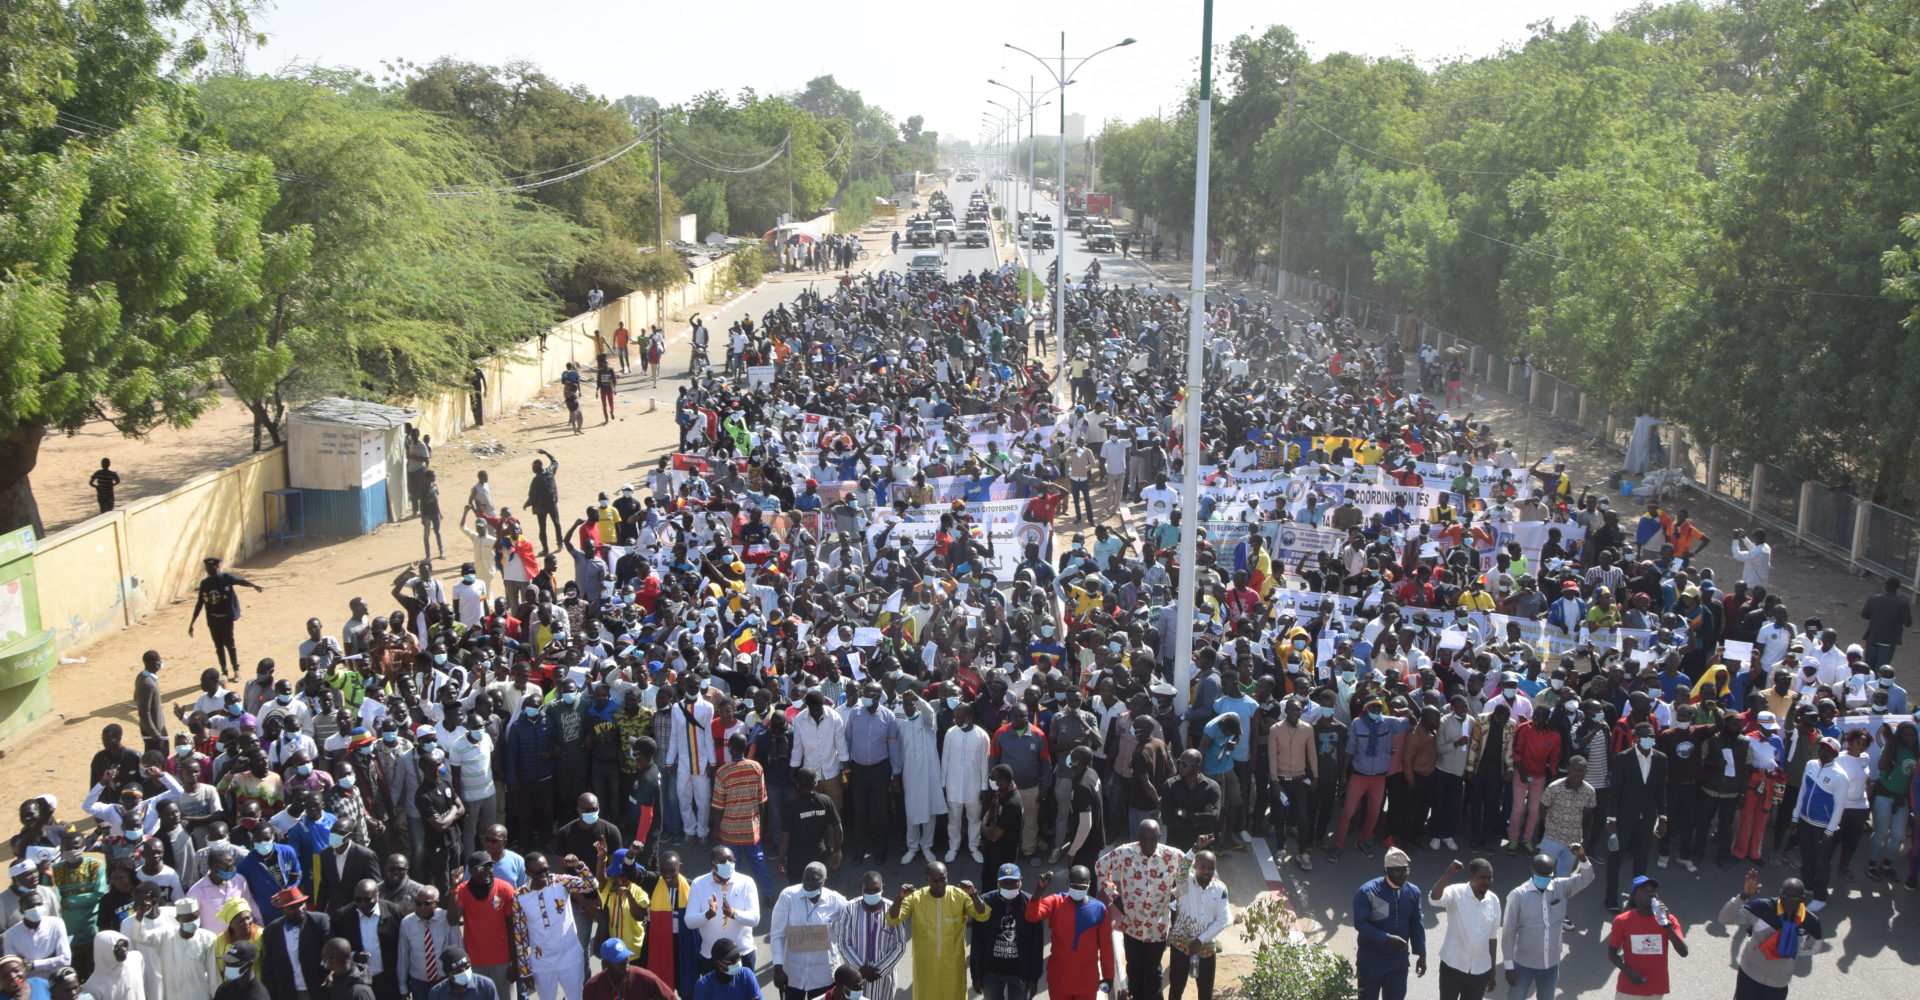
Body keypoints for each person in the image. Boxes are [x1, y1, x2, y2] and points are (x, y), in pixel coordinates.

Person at [1094, 819, 1183, 1000]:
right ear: (1138, 837)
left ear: (1159, 837)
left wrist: (1174, 895)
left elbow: (1191, 875)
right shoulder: (1125, 853)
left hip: (1157, 929)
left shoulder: (1173, 856)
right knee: (1133, 970)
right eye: (1144, 838)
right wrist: (1115, 897)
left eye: (1152, 839)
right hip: (1132, 927)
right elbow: (1100, 868)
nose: (1148, 843)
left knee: (1152, 972)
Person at [1498, 845, 1594, 1000]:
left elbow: (1586, 878)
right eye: (1540, 874)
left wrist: (1582, 857)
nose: (1544, 878)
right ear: (1532, 871)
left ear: (1553, 873)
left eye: (1548, 875)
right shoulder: (1517, 896)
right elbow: (1508, 932)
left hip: (1551, 963)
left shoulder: (1561, 887)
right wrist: (1508, 966)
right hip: (1523, 964)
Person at [1717, 868, 1823, 1000]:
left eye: (1793, 897)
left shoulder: (1810, 921)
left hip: (1778, 983)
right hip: (1749, 974)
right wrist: (1743, 896)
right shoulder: (1763, 907)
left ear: (1802, 899)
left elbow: (1814, 947)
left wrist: (1790, 950)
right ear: (1780, 894)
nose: (1788, 900)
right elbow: (1725, 919)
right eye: (1785, 895)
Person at [887, 861, 986, 999]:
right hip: (926, 966)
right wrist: (900, 898)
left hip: (953, 966)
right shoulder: (915, 898)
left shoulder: (959, 895)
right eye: (934, 881)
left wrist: (973, 894)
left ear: (947, 876)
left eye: (942, 879)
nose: (939, 884)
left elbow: (982, 915)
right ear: (926, 880)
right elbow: (893, 919)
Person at [510, 852, 596, 1000]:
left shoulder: (561, 881)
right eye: (539, 872)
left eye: (546, 869)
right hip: (542, 963)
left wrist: (579, 866)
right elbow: (520, 935)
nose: (545, 874)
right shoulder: (520, 896)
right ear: (528, 873)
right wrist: (525, 971)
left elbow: (591, 885)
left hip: (570, 958)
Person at [1024, 867, 1114, 1000]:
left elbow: (1106, 947)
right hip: (1059, 980)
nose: (1078, 889)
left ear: (1089, 884)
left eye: (1082, 886)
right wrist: (1040, 890)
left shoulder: (1100, 909)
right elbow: (1031, 916)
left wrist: (1109, 975)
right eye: (1074, 886)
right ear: (1067, 883)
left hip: (1087, 983)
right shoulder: (1055, 902)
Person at [1354, 847, 1426, 1000]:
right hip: (1371, 961)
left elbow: (1416, 923)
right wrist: (1386, 938)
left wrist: (1421, 953)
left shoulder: (1413, 892)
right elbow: (1360, 923)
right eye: (1397, 871)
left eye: (1405, 870)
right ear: (1386, 870)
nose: (1403, 875)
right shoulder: (1368, 892)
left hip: (1398, 962)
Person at [768, 862, 846, 1000]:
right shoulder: (788, 896)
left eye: (815, 879)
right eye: (806, 878)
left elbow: (851, 924)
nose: (809, 883)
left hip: (824, 975)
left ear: (825, 881)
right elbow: (777, 934)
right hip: (793, 974)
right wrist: (778, 968)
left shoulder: (836, 901)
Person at [1429, 859, 1501, 1000]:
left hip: (1480, 970)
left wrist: (1492, 973)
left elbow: (1492, 938)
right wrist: (1448, 874)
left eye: (1490, 877)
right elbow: (1434, 899)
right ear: (1471, 876)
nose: (1487, 881)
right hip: (1453, 966)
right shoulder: (1456, 892)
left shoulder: (1494, 901)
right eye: (1482, 877)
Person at [1166, 844, 1231, 1000]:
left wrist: (1200, 940)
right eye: (1202, 867)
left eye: (1210, 868)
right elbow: (1180, 870)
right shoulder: (1184, 884)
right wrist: (1194, 849)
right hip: (1181, 946)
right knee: (1175, 990)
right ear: (1195, 866)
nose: (1206, 871)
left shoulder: (1221, 889)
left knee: (1205, 994)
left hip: (1206, 949)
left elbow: (1223, 920)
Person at [1607, 877, 1687, 999]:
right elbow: (1612, 953)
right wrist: (1628, 972)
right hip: (1629, 989)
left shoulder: (1669, 920)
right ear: (1634, 897)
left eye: (1653, 891)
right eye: (1645, 891)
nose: (1651, 894)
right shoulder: (1622, 921)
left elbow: (1684, 952)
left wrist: (1666, 925)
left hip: (1656, 989)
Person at [685, 845, 760, 973]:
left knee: (744, 993)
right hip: (711, 958)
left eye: (731, 860)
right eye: (722, 861)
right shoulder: (699, 884)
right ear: (712, 864)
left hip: (742, 955)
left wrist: (734, 913)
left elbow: (755, 919)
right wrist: (707, 915)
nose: (728, 864)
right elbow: (689, 921)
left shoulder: (746, 882)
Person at [187, 557, 264, 680]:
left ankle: (236, 669)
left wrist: (254, 585)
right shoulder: (205, 584)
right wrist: (192, 623)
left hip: (226, 618)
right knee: (218, 646)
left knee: (230, 644)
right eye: (207, 568)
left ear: (217, 567)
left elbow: (240, 581)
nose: (209, 569)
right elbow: (199, 603)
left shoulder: (226, 578)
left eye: (211, 567)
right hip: (212, 620)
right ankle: (224, 671)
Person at [261, 886, 329, 1000]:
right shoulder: (272, 931)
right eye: (293, 907)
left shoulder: (319, 921)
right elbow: (269, 966)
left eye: (301, 904)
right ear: (283, 910)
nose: (300, 909)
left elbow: (330, 952)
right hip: (289, 992)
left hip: (319, 989)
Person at [397, 884, 453, 1000]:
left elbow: (457, 948)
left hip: (443, 981)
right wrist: (403, 986)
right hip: (419, 984)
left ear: (436, 903)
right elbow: (403, 956)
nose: (422, 907)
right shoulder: (407, 923)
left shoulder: (446, 919)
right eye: (418, 903)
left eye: (427, 904)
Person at [585, 939, 674, 1000]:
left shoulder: (645, 978)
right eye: (619, 959)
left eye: (626, 956)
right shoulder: (592, 987)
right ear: (605, 963)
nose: (626, 961)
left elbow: (670, 998)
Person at [1859, 575, 1912, 668]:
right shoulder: (1902, 603)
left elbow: (1864, 614)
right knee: (1881, 670)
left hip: (1872, 637)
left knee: (1868, 669)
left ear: (1885, 586)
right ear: (1898, 588)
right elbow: (1908, 623)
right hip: (1888, 642)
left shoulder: (1873, 598)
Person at [690, 939, 758, 1000]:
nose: (737, 962)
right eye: (731, 960)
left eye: (738, 957)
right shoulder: (703, 986)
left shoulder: (746, 975)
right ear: (717, 963)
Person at [423, 948, 496, 1000]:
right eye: (458, 970)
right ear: (449, 975)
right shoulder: (437, 993)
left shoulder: (486, 986)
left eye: (467, 966)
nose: (464, 972)